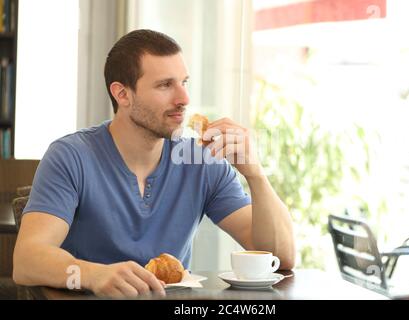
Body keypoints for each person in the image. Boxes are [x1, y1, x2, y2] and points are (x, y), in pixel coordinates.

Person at [13, 29, 295, 298]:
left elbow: (279, 257)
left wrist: (255, 174)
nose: (184, 99)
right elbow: (26, 262)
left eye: (184, 83)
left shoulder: (202, 161)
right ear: (122, 94)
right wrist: (93, 275)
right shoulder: (71, 156)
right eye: (165, 85)